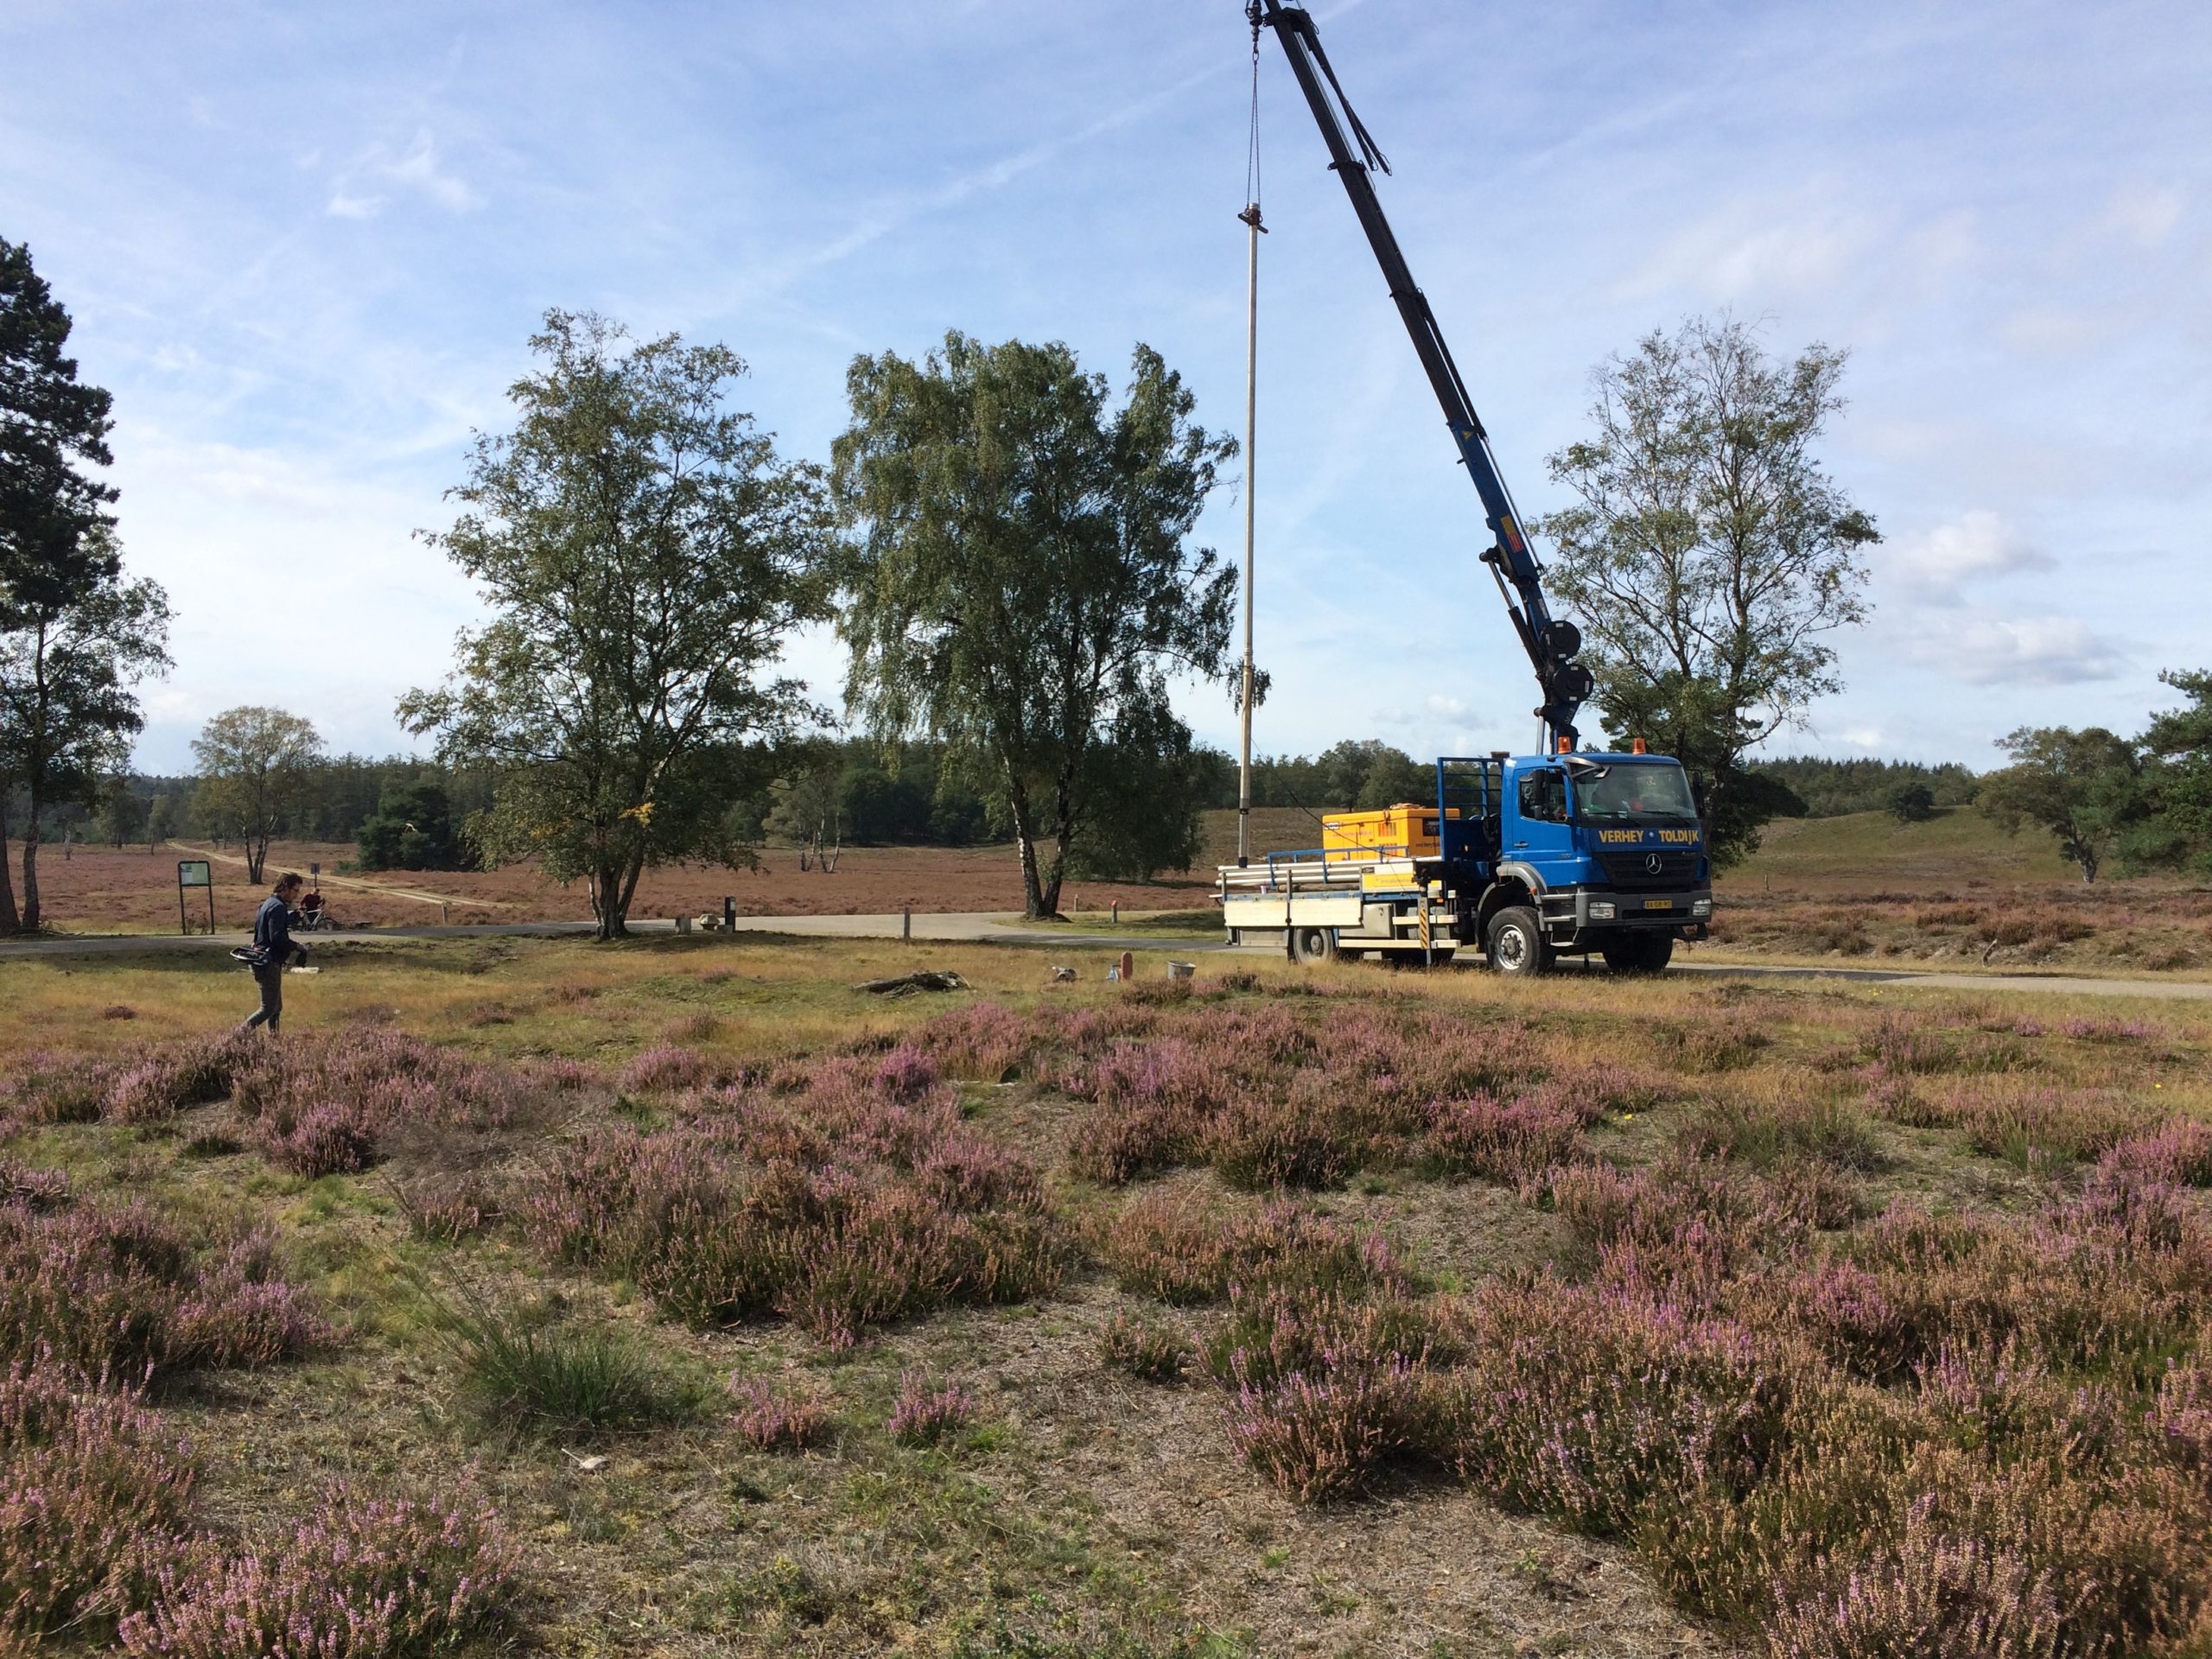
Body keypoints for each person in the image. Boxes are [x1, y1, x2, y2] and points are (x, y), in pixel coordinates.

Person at [240, 873, 308, 1034]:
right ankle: (238, 1035)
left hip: (261, 959)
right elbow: (277, 938)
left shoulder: (268, 903)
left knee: (276, 1007)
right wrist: (299, 947)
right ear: (284, 887)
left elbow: (263, 934)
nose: (296, 895)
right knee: (267, 1008)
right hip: (268, 962)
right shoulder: (278, 907)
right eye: (295, 890)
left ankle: (275, 1041)